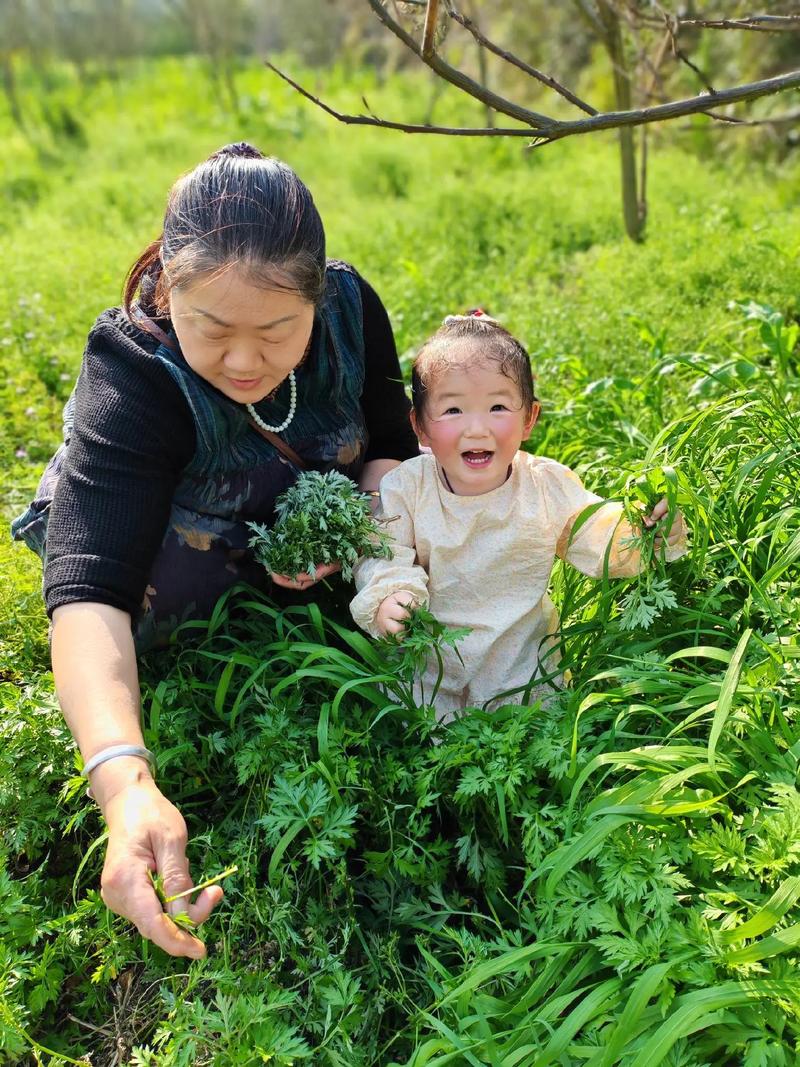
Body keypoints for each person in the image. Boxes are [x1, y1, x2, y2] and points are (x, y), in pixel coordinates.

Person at [11, 142, 419, 959]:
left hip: (292, 538)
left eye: (277, 330)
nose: (243, 360)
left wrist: (367, 540)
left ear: (317, 293)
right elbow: (89, 588)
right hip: (165, 548)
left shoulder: (349, 307)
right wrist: (124, 785)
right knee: (148, 598)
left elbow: (387, 450)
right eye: (211, 327)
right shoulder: (133, 369)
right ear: (167, 286)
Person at [350, 312, 687, 719]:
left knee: (530, 733)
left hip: (521, 668)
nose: (477, 429)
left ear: (529, 419)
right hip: (431, 669)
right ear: (419, 425)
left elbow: (597, 532)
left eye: (497, 407)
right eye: (454, 410)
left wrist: (643, 530)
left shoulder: (545, 487)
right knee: (428, 738)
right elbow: (382, 549)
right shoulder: (407, 487)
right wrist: (392, 595)